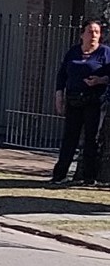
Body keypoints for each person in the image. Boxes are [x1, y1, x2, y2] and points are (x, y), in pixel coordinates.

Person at [51, 20, 110, 186]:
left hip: (94, 102)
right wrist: (59, 95)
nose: (93, 35)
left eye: (97, 32)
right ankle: (59, 175)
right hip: (74, 100)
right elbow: (62, 74)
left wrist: (100, 80)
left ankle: (89, 177)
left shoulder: (105, 53)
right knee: (70, 138)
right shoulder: (73, 53)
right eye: (90, 31)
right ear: (81, 34)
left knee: (91, 139)